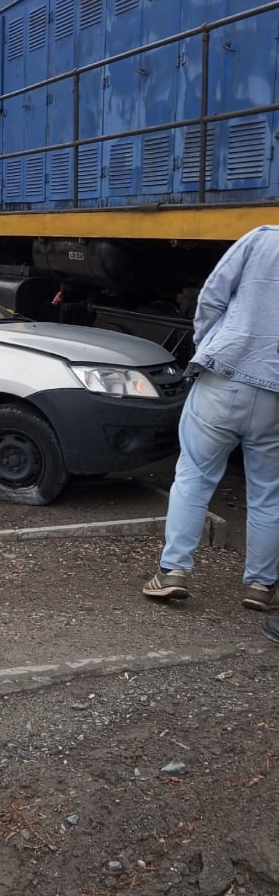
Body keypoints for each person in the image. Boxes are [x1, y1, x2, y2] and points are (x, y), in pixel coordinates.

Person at [143, 225, 279, 610]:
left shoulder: (263, 238)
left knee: (194, 476)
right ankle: (260, 586)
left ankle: (172, 572)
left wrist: (209, 346)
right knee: (269, 491)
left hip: (226, 376)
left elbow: (211, 297)